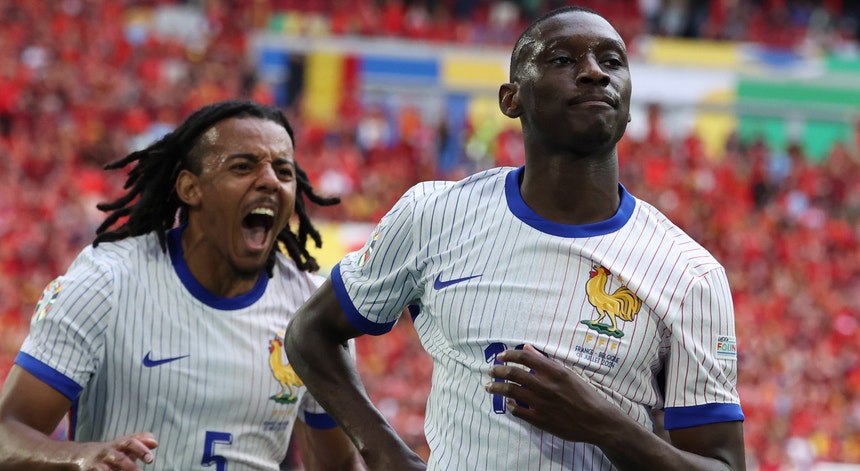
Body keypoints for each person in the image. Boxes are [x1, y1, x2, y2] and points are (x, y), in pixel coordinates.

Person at [284, 6, 746, 471]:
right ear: (511, 99)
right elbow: (309, 334)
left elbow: (723, 465)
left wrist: (606, 425)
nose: (594, 73)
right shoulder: (435, 214)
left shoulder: (690, 275)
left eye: (611, 62)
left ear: (627, 105)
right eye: (563, 60)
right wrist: (385, 452)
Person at [0, 100, 363, 470]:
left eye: (284, 171)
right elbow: (6, 434)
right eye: (243, 166)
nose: (271, 180)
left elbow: (338, 465)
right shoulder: (106, 283)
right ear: (190, 188)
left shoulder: (312, 311)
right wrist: (79, 458)